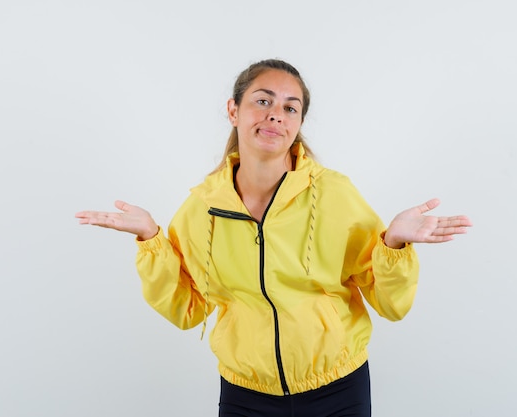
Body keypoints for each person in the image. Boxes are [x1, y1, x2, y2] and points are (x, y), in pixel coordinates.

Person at [75, 59, 472, 417]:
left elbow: (391, 305)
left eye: (289, 107)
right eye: (263, 101)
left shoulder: (334, 193)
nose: (276, 116)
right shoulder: (202, 208)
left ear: (298, 123)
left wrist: (393, 245)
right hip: (246, 393)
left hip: (339, 388)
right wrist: (151, 238)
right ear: (234, 110)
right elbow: (188, 309)